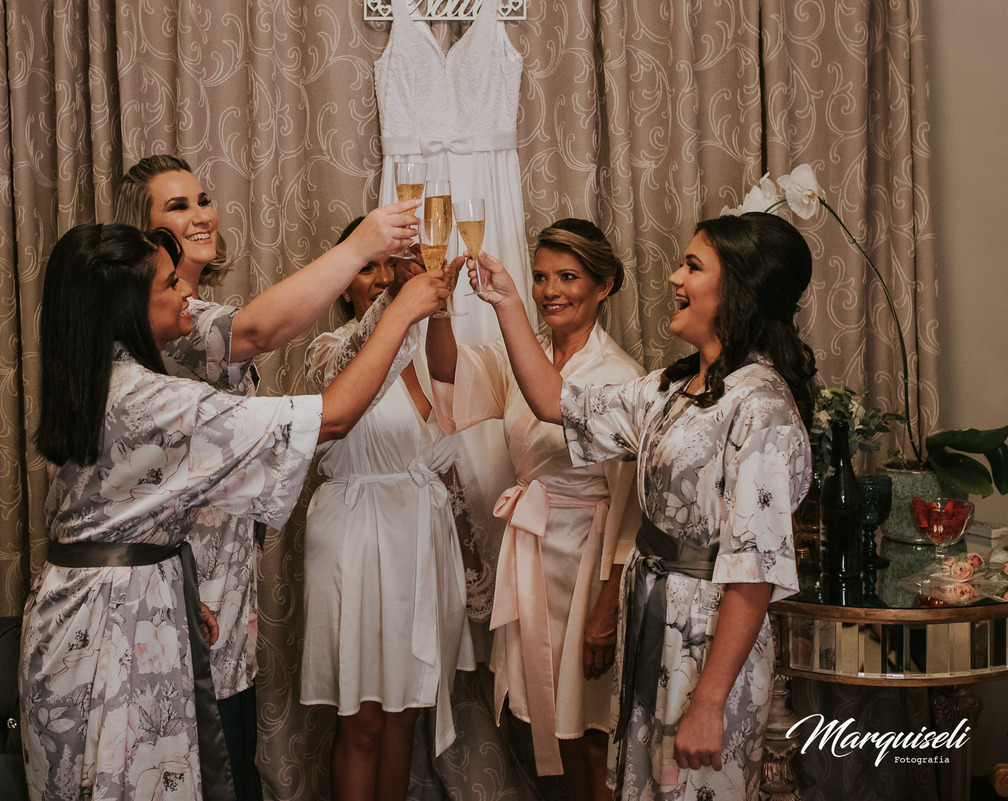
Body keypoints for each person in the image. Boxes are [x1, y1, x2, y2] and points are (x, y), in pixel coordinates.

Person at [22, 223, 448, 801]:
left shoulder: (94, 381)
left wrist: (169, 585)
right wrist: (402, 311)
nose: (187, 293)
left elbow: (111, 517)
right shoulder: (154, 400)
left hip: (76, 613)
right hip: (110, 633)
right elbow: (333, 417)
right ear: (127, 307)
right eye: (170, 284)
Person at [470, 212, 816, 800]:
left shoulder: (761, 407)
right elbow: (556, 401)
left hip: (706, 636)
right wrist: (505, 301)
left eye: (693, 266)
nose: (674, 277)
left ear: (738, 288)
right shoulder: (671, 389)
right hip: (651, 615)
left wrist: (710, 702)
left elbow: (755, 569)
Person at [113, 155, 420, 798]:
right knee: (205, 761)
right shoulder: (166, 326)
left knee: (231, 747)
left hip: (222, 570)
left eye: (203, 199)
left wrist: (399, 297)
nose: (201, 215)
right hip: (176, 571)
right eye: (177, 206)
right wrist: (363, 249)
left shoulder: (192, 311)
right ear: (145, 234)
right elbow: (257, 331)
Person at [424, 218, 644, 800]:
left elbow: (631, 511)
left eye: (568, 277)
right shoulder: (526, 357)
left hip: (587, 561)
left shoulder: (621, 378)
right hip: (533, 555)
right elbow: (449, 374)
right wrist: (440, 308)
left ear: (604, 286)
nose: (550, 291)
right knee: (546, 720)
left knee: (591, 727)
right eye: (541, 277)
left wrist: (607, 606)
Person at [298, 219, 477, 801]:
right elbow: (337, 391)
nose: (380, 278)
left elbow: (449, 461)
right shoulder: (329, 350)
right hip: (357, 536)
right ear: (343, 281)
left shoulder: (427, 357)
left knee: (405, 714)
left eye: (390, 266)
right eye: (367, 267)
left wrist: (471, 565)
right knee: (364, 719)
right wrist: (397, 302)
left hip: (420, 541)